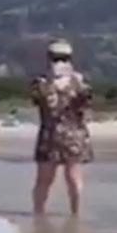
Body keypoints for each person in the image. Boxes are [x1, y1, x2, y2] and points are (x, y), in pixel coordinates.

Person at [31, 39, 93, 216]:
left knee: (61, 178)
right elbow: (38, 100)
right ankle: (47, 214)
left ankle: (47, 213)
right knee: (54, 178)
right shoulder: (43, 81)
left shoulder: (78, 82)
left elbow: (85, 103)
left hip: (57, 134)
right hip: (67, 134)